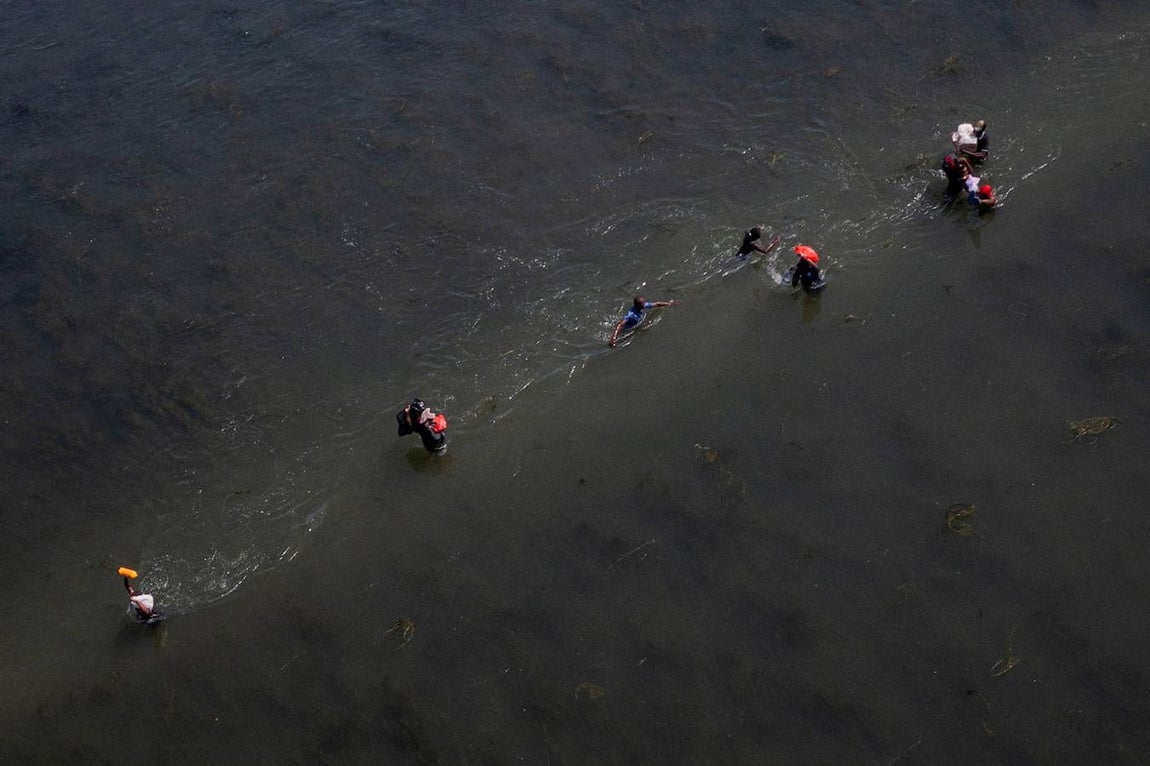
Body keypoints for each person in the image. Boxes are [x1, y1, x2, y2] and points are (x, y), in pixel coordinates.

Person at [608, 296, 676, 347]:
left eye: (644, 303)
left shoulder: (643, 305)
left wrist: (669, 304)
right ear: (638, 306)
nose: (645, 305)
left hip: (637, 322)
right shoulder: (631, 315)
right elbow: (619, 325)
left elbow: (657, 304)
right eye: (643, 304)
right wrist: (613, 339)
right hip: (626, 329)